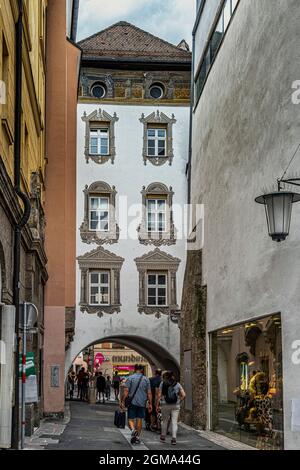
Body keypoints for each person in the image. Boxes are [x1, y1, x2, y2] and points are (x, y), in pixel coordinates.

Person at [121, 364, 152, 445]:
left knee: (130, 419)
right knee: (139, 419)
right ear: (142, 370)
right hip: (142, 402)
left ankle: (133, 430)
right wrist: (150, 403)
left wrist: (122, 401)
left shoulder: (130, 378)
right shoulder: (146, 379)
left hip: (132, 402)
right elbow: (149, 393)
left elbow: (126, 391)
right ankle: (137, 437)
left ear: (135, 369)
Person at [156, 371, 186, 446]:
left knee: (165, 421)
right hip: (175, 405)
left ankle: (163, 436)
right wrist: (179, 401)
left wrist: (157, 405)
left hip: (165, 404)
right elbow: (184, 395)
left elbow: (159, 395)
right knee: (174, 422)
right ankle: (173, 439)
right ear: (173, 376)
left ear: (165, 376)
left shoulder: (162, 383)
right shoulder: (177, 384)